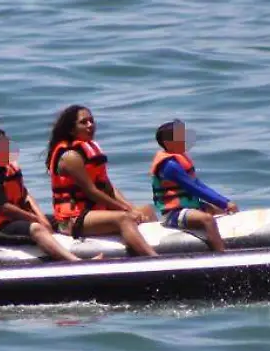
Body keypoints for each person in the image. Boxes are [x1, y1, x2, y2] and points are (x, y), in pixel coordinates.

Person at [45, 105, 158, 256]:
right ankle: (153, 258)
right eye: (83, 122)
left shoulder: (89, 151)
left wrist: (130, 207)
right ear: (72, 130)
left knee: (147, 210)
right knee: (124, 219)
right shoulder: (70, 157)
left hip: (95, 212)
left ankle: (151, 249)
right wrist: (125, 211)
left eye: (91, 121)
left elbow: (107, 187)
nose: (90, 125)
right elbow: (91, 192)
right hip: (72, 219)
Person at [0, 128, 81, 262]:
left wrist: (40, 216)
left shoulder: (4, 166)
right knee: (36, 228)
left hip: (15, 219)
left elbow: (25, 195)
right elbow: (4, 207)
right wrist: (35, 220)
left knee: (61, 219)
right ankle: (74, 261)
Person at [151, 120, 238, 252]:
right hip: (173, 213)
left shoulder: (179, 159)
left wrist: (225, 203)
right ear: (168, 142)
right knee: (207, 220)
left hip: (191, 207)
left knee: (221, 211)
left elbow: (199, 184)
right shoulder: (169, 165)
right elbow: (194, 188)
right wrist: (224, 203)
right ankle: (222, 255)